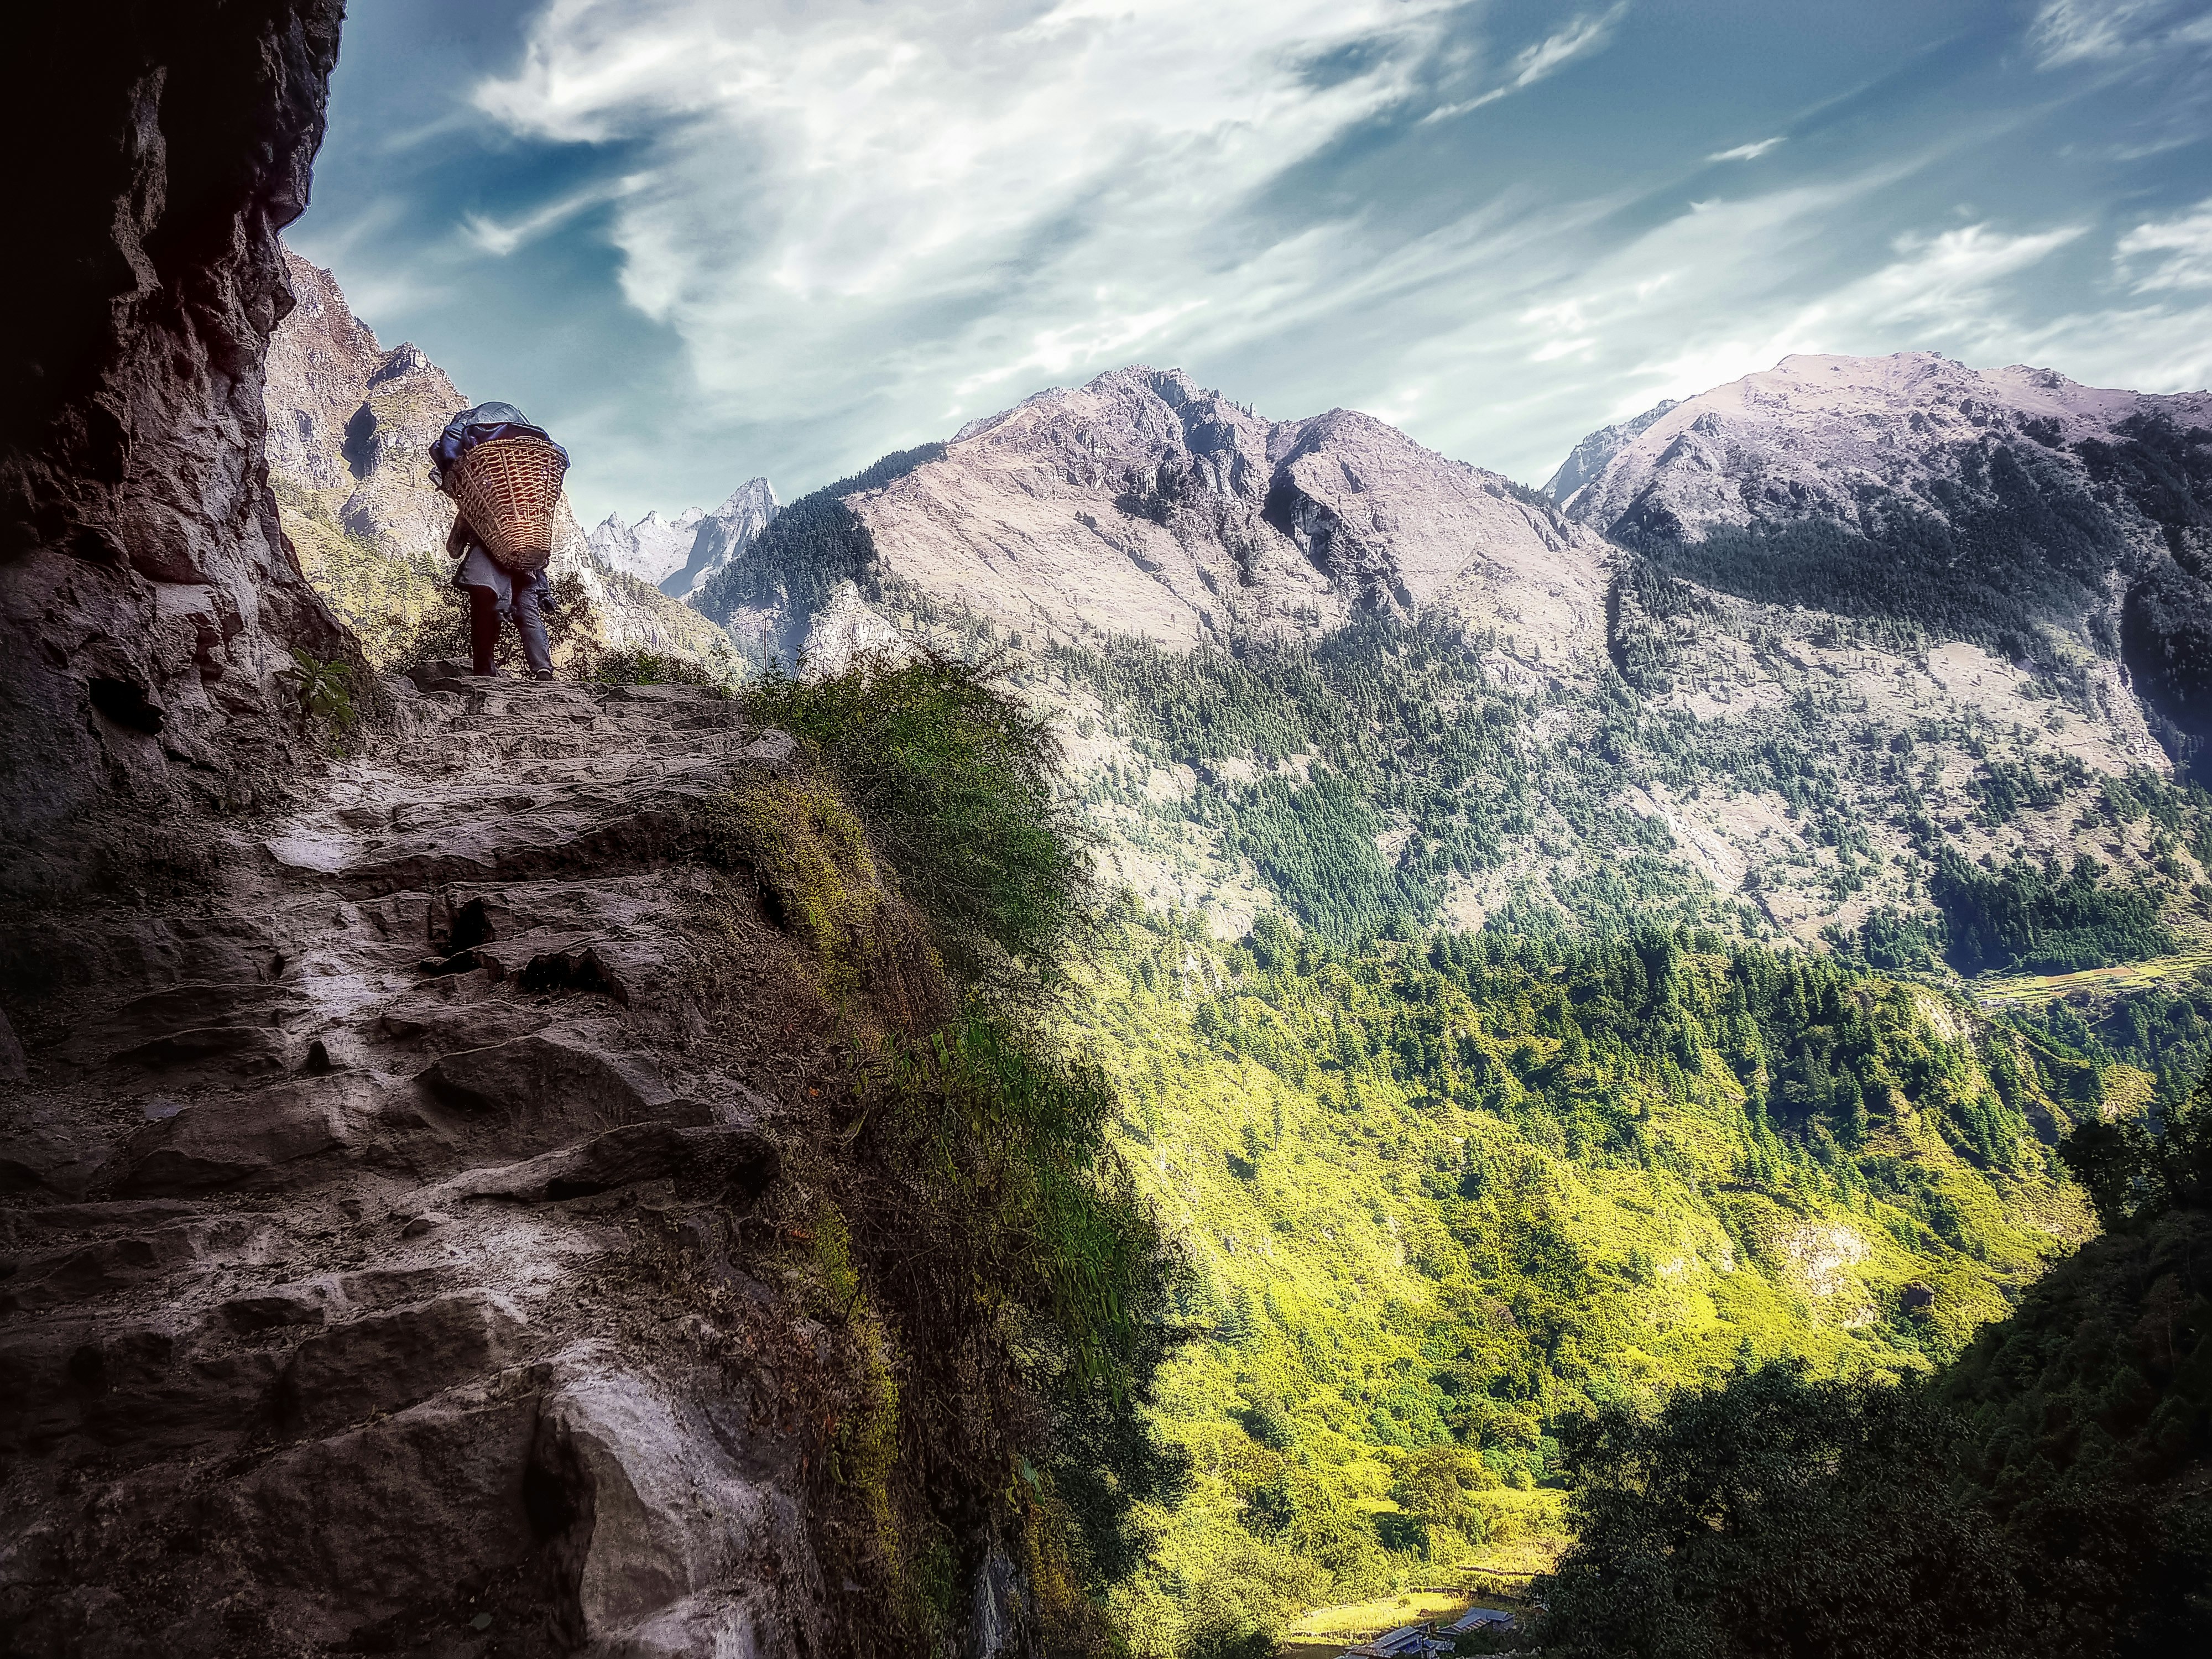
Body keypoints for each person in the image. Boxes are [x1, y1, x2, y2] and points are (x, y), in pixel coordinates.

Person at [429, 401, 565, 681]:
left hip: (487, 564)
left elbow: (454, 549)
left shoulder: (479, 504)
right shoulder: (524, 505)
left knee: (484, 612)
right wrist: (545, 588)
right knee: (528, 614)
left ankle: (484, 667)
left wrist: (464, 524)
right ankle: (542, 670)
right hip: (525, 564)